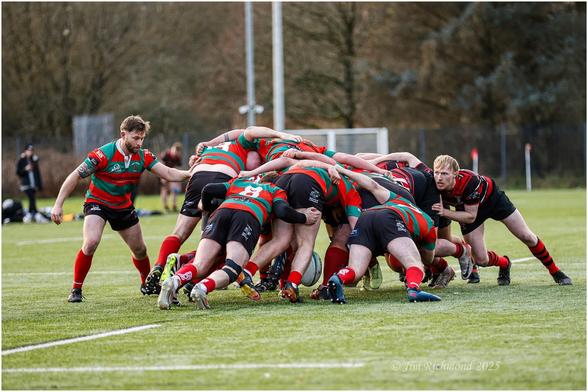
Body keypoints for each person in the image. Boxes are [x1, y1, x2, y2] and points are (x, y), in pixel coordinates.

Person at [143, 126, 302, 295]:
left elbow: (234, 134)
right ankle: (195, 276)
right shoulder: (248, 149)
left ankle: (160, 266)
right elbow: (248, 132)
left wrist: (206, 145)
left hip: (199, 176)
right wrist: (281, 134)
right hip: (225, 180)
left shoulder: (211, 147)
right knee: (225, 247)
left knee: (183, 233)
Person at [51, 115, 193, 303]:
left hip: (122, 206)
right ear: (123, 134)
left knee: (140, 250)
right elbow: (75, 175)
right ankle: (76, 289)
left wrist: (190, 174)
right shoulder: (103, 154)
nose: (139, 142)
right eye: (136, 138)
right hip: (97, 203)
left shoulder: (142, 156)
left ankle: (146, 284)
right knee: (91, 242)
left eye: (142, 138)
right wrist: (58, 204)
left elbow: (167, 172)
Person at [157, 174, 321, 309]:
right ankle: (203, 287)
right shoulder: (275, 189)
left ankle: (174, 280)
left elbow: (208, 189)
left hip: (221, 213)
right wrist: (304, 217)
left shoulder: (239, 182)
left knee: (200, 264)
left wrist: (207, 208)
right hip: (246, 217)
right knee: (233, 267)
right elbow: (282, 211)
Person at [431, 154, 572, 286]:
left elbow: (470, 217)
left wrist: (444, 212)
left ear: (455, 174)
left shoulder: (469, 182)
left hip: (493, 201)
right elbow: (414, 162)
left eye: (444, 173)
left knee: (526, 236)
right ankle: (504, 263)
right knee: (482, 260)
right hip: (468, 208)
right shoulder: (433, 183)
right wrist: (407, 156)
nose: (439, 178)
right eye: (436, 172)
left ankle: (555, 271)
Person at [326, 165, 441, 303]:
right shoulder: (429, 223)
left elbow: (373, 185)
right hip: (390, 218)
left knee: (355, 270)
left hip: (365, 217)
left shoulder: (397, 198)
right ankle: (414, 290)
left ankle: (338, 278)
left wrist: (343, 171)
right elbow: (428, 259)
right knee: (414, 263)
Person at [16, 144, 43, 222]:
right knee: (32, 198)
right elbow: (18, 172)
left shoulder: (33, 160)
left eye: (31, 151)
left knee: (32, 199)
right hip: (26, 185)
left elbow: (38, 173)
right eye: (28, 150)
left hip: (33, 185)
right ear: (25, 151)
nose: (30, 152)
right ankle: (32, 214)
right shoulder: (21, 160)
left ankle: (32, 215)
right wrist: (25, 169)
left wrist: (39, 185)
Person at [159, 142, 183, 212]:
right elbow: (159, 165)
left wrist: (179, 180)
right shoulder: (166, 154)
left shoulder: (177, 157)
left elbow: (179, 168)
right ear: (172, 149)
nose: (175, 153)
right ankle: (165, 206)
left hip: (172, 173)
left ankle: (174, 205)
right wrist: (162, 177)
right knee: (165, 189)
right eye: (175, 151)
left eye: (177, 152)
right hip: (163, 173)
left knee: (175, 189)